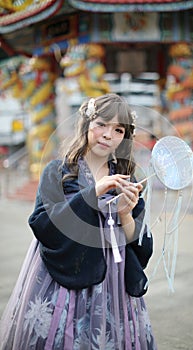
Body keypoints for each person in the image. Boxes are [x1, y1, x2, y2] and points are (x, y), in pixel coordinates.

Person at [0, 93, 157, 350]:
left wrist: (126, 213)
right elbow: (43, 223)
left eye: (118, 129)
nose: (108, 135)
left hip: (113, 280)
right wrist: (93, 192)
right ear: (87, 124)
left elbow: (136, 240)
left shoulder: (126, 178)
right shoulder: (56, 172)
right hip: (60, 278)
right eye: (102, 124)